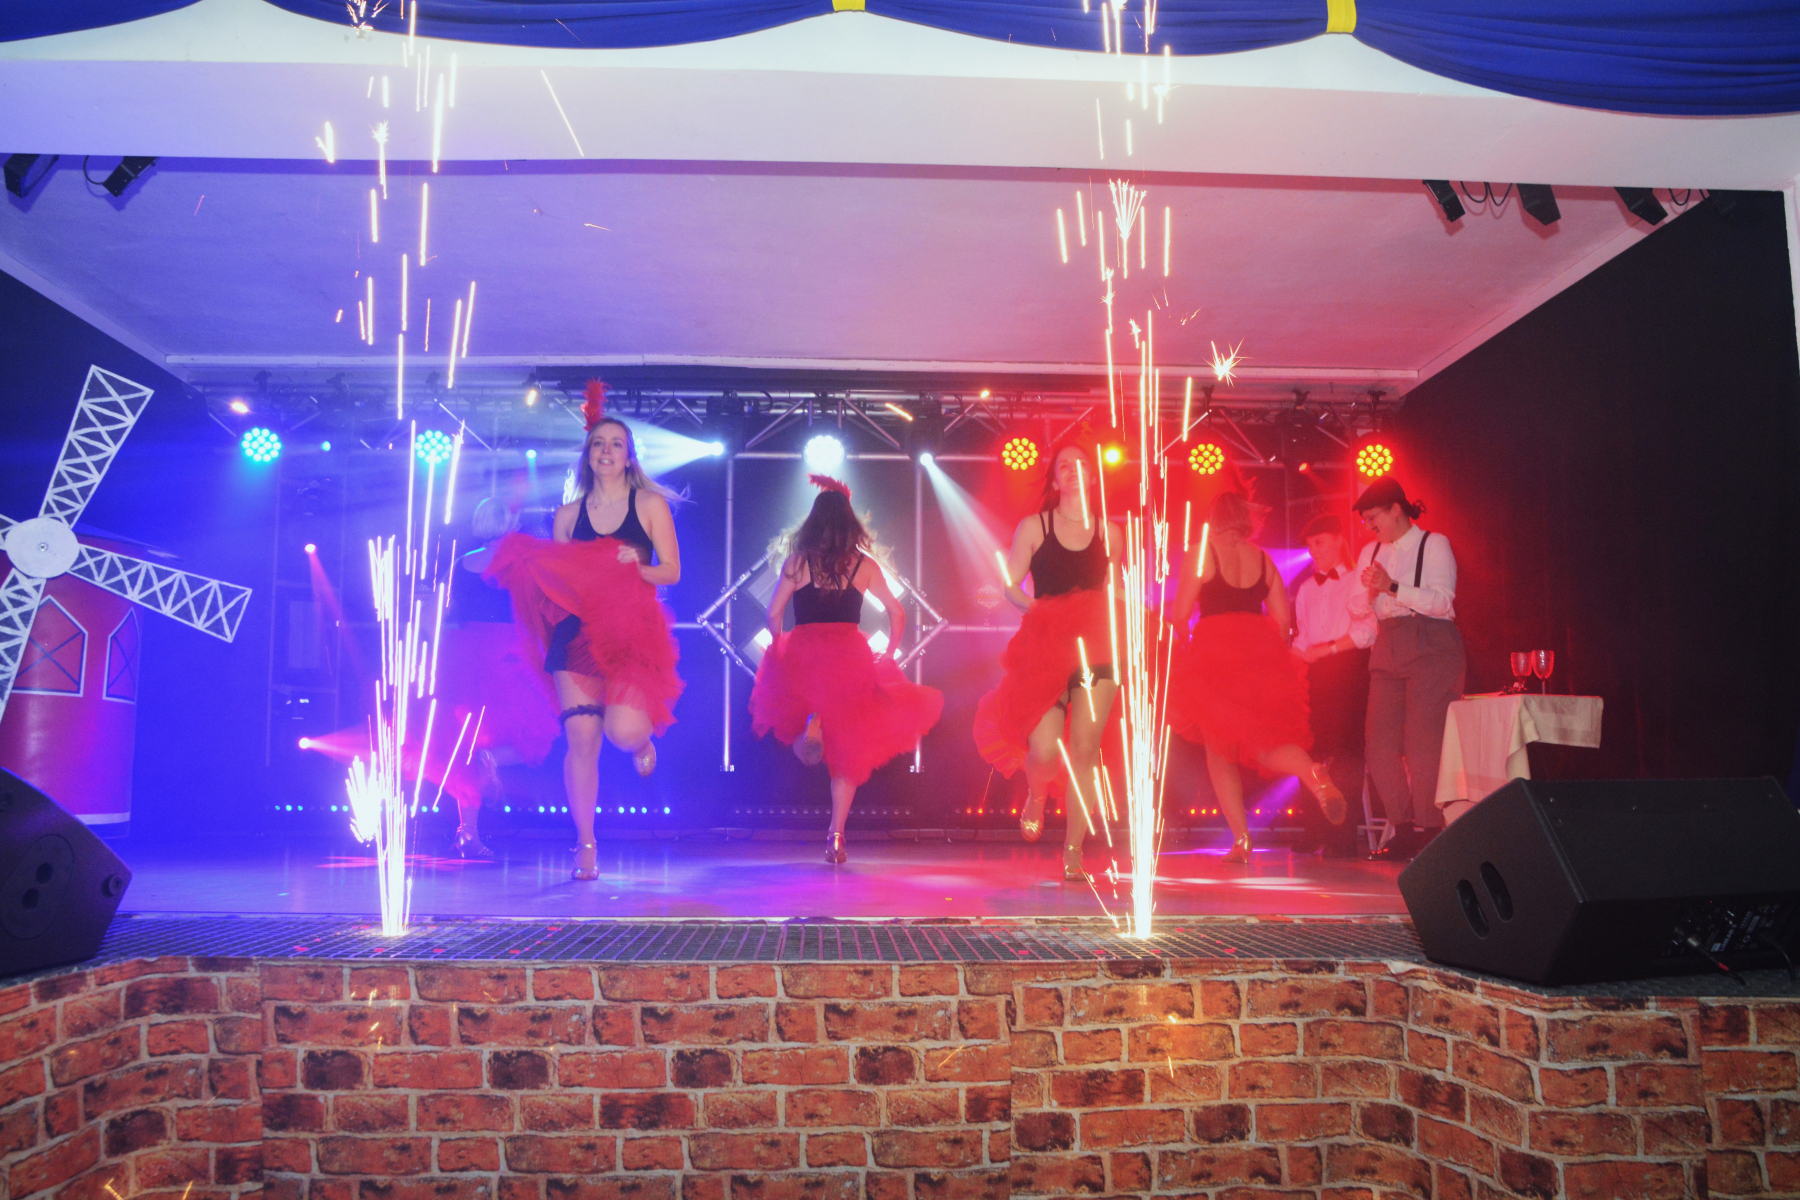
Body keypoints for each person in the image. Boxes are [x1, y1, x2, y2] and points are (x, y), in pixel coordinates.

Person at [484, 387, 684, 882]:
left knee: (623, 730)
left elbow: (672, 571)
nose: (607, 451)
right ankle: (586, 842)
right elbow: (559, 584)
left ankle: (641, 745)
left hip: (631, 630)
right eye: (599, 443)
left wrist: (638, 565)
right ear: (588, 454)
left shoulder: (649, 504)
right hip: (576, 634)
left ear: (629, 455)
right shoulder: (567, 516)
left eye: (616, 444)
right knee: (581, 738)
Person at [750, 476, 944, 864]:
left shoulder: (797, 562)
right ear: (849, 523)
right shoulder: (863, 564)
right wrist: (889, 652)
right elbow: (897, 612)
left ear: (813, 522)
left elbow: (773, 614)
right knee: (849, 751)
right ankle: (836, 836)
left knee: (795, 732)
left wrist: (780, 645)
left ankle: (811, 727)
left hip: (805, 653)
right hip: (849, 658)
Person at [1167, 492, 1346, 864]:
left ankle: (1242, 839)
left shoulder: (1202, 553)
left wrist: (1187, 648)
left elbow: (1181, 614)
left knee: (1219, 752)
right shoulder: (1263, 559)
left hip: (1214, 657)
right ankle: (1314, 775)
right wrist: (1265, 657)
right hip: (1260, 658)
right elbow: (1282, 621)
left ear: (1214, 518)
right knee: (1267, 742)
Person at [974, 437, 1120, 883]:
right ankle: (1037, 795)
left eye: (1081, 464)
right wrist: (1032, 606)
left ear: (1093, 476)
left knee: (1086, 750)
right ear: (1055, 480)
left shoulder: (1110, 532)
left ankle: (1073, 849)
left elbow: (1113, 591)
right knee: (1044, 749)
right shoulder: (1035, 526)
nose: (1073, 470)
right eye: (1064, 466)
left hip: (1096, 645)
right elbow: (1011, 584)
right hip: (1046, 645)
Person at [1347, 476, 1463, 862]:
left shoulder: (1434, 543)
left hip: (1431, 642)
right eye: (1365, 519)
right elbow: (1355, 607)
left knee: (1422, 742)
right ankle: (1402, 825)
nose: (1369, 525)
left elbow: (1443, 602)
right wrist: (1371, 592)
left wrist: (1393, 586)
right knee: (1378, 744)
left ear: (1396, 509)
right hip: (1388, 643)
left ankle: (1428, 829)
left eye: (1373, 517)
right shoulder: (1370, 551)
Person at [1290, 513, 1376, 857]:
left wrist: (1326, 650)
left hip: (1350, 669)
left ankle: (1342, 837)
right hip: (1317, 673)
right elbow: (1303, 638)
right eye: (1310, 546)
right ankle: (1314, 829)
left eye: (1320, 542)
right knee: (1310, 752)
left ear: (1340, 539)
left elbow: (1368, 631)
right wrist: (1286, 663)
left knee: (1347, 754)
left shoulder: (1358, 580)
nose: (1314, 551)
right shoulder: (1306, 588)